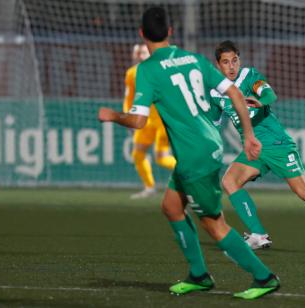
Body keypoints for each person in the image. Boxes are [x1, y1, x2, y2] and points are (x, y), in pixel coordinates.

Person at [98, 7, 280, 299]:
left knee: (214, 224)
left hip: (195, 155)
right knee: (171, 207)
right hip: (206, 145)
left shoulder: (148, 69)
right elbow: (234, 92)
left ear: (142, 34)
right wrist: (248, 134)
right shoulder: (193, 59)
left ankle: (264, 277)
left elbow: (138, 121)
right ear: (170, 31)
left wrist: (111, 115)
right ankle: (198, 274)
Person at [209, 41, 305, 250]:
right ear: (218, 65)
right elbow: (212, 123)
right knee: (230, 181)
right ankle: (258, 234)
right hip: (254, 149)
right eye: (226, 62)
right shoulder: (215, 92)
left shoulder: (249, 76)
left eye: (234, 60)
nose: (231, 66)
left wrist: (261, 101)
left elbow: (270, 94)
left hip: (277, 144)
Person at [123, 44, 176, 199]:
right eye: (137, 53)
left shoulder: (161, 70)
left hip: (162, 120)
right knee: (138, 154)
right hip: (143, 120)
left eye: (143, 52)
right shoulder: (131, 73)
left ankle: (190, 175)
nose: (139, 55)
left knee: (162, 158)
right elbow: (128, 98)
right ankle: (149, 187)